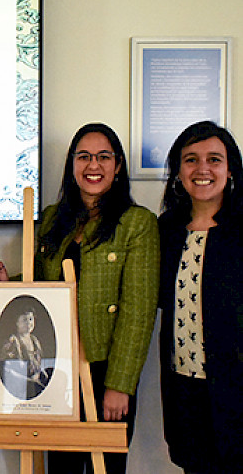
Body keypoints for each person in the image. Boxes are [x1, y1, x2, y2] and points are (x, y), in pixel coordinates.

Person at [0, 123, 159, 474]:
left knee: (107, 467)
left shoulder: (138, 223)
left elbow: (138, 312)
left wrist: (119, 384)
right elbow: (43, 283)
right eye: (83, 156)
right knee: (62, 467)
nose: (93, 165)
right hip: (58, 368)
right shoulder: (55, 217)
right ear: (72, 165)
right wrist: (10, 282)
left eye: (103, 157)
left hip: (106, 368)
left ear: (118, 167)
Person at [158, 121, 243, 473]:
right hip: (184, 388)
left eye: (214, 159)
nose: (203, 169)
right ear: (178, 172)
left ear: (230, 170)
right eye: (191, 159)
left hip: (236, 390)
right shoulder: (165, 230)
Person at [0, 306, 50, 400]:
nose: (28, 323)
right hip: (21, 386)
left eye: (30, 319)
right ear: (16, 323)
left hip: (36, 382)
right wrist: (29, 382)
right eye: (24, 320)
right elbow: (8, 371)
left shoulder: (35, 340)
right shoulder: (13, 342)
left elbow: (38, 363)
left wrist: (42, 372)